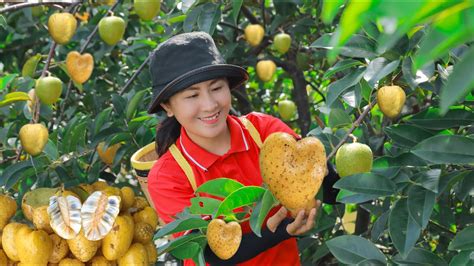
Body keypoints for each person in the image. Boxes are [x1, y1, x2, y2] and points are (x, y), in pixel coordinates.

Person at [147, 32, 340, 266]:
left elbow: (333, 195)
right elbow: (209, 253)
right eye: (192, 95)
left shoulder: (264, 132)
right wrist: (282, 231)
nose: (209, 105)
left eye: (216, 88)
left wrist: (323, 166)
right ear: (168, 106)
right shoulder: (168, 176)